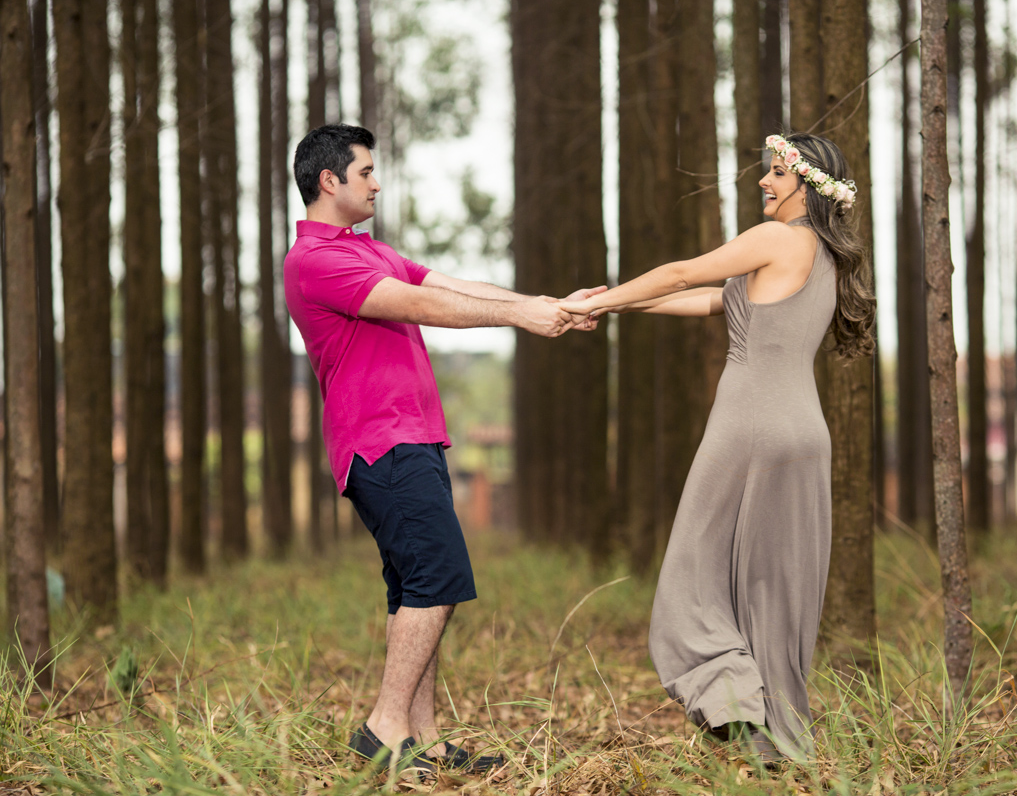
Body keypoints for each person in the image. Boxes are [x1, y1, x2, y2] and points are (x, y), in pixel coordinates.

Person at [284, 124, 603, 777]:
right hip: (379, 439)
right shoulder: (315, 260)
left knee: (418, 585)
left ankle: (421, 736)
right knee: (437, 578)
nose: (376, 182)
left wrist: (544, 304)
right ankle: (383, 727)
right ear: (329, 180)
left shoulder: (368, 250)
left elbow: (451, 283)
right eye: (366, 171)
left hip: (414, 434)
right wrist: (520, 318)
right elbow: (423, 302)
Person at [561, 132, 875, 765]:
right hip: (805, 436)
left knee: (691, 576)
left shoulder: (774, 240)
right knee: (774, 592)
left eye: (777, 173)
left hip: (748, 425)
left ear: (808, 185)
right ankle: (780, 742)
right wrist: (611, 306)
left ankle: (731, 701)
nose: (764, 180)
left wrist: (590, 301)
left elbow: (682, 271)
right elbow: (710, 299)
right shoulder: (826, 256)